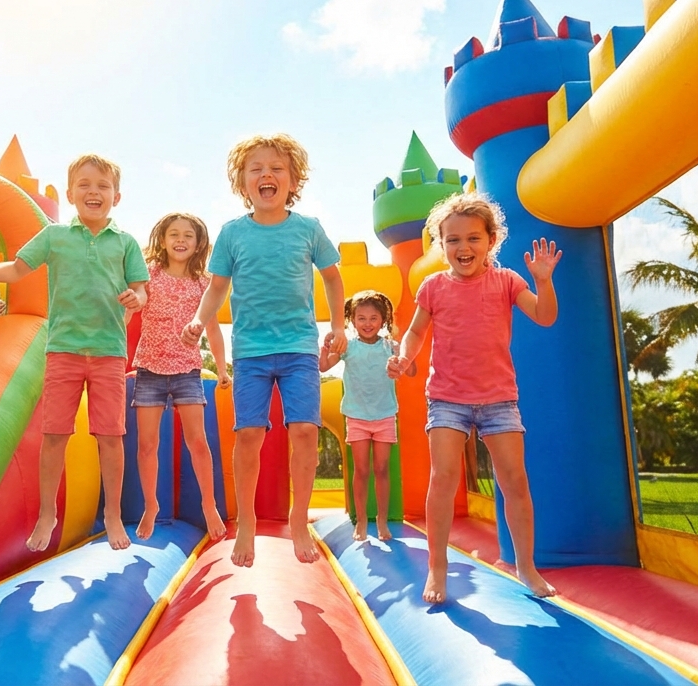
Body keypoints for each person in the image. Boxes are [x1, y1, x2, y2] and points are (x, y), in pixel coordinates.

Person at [0, 154, 147, 552]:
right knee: (54, 434)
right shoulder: (55, 236)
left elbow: (141, 289)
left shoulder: (126, 242)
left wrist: (137, 297)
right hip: (62, 349)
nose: (93, 192)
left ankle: (113, 514)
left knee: (111, 437)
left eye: (102, 186)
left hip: (109, 353)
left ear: (116, 196)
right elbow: (16, 269)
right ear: (70, 193)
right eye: (84, 184)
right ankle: (48, 513)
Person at [388, 191, 562, 602]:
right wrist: (403, 356)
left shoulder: (506, 282)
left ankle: (526, 567)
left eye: (472, 239)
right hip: (447, 397)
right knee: (443, 477)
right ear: (440, 244)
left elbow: (545, 315)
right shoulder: (433, 287)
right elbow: (415, 332)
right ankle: (437, 567)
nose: (463, 248)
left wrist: (543, 281)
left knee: (514, 481)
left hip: (499, 398)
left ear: (491, 241)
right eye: (452, 240)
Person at [183, 133, 346, 568]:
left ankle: (297, 518)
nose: (266, 174)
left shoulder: (308, 229)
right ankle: (249, 521)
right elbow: (217, 287)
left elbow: (332, 277)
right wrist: (200, 320)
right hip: (252, 350)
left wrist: (338, 326)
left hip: (298, 348)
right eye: (255, 169)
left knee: (305, 431)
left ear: (293, 181)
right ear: (242, 183)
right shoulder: (233, 234)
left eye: (276, 168)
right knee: (249, 434)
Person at [132, 212, 231, 542]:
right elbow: (135, 303)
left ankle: (209, 504)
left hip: (187, 369)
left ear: (198, 243)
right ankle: (150, 505)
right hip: (149, 368)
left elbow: (214, 330)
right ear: (162, 240)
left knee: (198, 442)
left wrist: (221, 367)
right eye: (173, 234)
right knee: (147, 445)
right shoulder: (150, 273)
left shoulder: (204, 284)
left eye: (188, 235)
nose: (180, 240)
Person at [320, 290, 413, 542]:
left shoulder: (390, 346)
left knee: (382, 469)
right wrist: (326, 346)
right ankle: (361, 521)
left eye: (373, 318)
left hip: (384, 416)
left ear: (382, 320)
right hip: (357, 416)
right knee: (361, 470)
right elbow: (323, 366)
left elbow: (411, 370)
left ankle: (381, 521)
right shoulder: (348, 346)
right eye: (361, 318)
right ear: (352, 321)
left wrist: (403, 354)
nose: (368, 323)